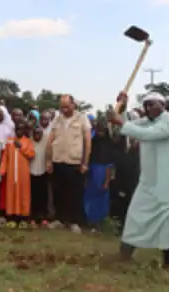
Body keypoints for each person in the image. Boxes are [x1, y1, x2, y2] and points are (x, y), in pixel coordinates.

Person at [107, 91, 169, 275]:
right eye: (146, 105)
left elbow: (147, 134)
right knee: (136, 216)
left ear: (163, 105)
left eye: (153, 104)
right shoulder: (147, 122)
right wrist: (122, 107)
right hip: (149, 182)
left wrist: (119, 121)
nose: (149, 108)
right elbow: (129, 127)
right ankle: (124, 256)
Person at [46, 94, 92, 233]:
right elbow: (50, 139)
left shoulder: (82, 118)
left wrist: (85, 162)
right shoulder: (57, 119)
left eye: (67, 106)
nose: (64, 110)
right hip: (58, 160)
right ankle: (60, 219)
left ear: (73, 105)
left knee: (75, 193)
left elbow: (87, 142)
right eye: (62, 107)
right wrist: (48, 160)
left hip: (74, 162)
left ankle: (74, 222)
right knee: (59, 192)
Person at [0, 122, 34, 228]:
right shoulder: (9, 141)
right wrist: (2, 171)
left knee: (23, 194)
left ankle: (23, 218)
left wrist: (21, 147)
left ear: (24, 131)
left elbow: (31, 154)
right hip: (11, 174)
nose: (19, 131)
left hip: (23, 174)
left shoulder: (28, 141)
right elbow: (5, 157)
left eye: (21, 129)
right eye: (17, 129)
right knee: (11, 194)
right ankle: (12, 218)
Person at [84, 121, 114, 231]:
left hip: (103, 174)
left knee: (101, 198)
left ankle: (99, 222)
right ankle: (89, 221)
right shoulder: (93, 142)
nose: (100, 133)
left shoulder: (109, 144)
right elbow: (88, 159)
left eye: (102, 130)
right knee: (89, 198)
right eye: (98, 130)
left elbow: (109, 164)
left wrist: (107, 180)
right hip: (92, 173)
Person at [30, 127, 49, 226]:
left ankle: (43, 217)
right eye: (35, 133)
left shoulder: (46, 143)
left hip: (43, 172)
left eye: (39, 133)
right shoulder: (30, 142)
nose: (37, 135)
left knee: (43, 196)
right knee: (33, 196)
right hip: (31, 172)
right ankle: (33, 217)